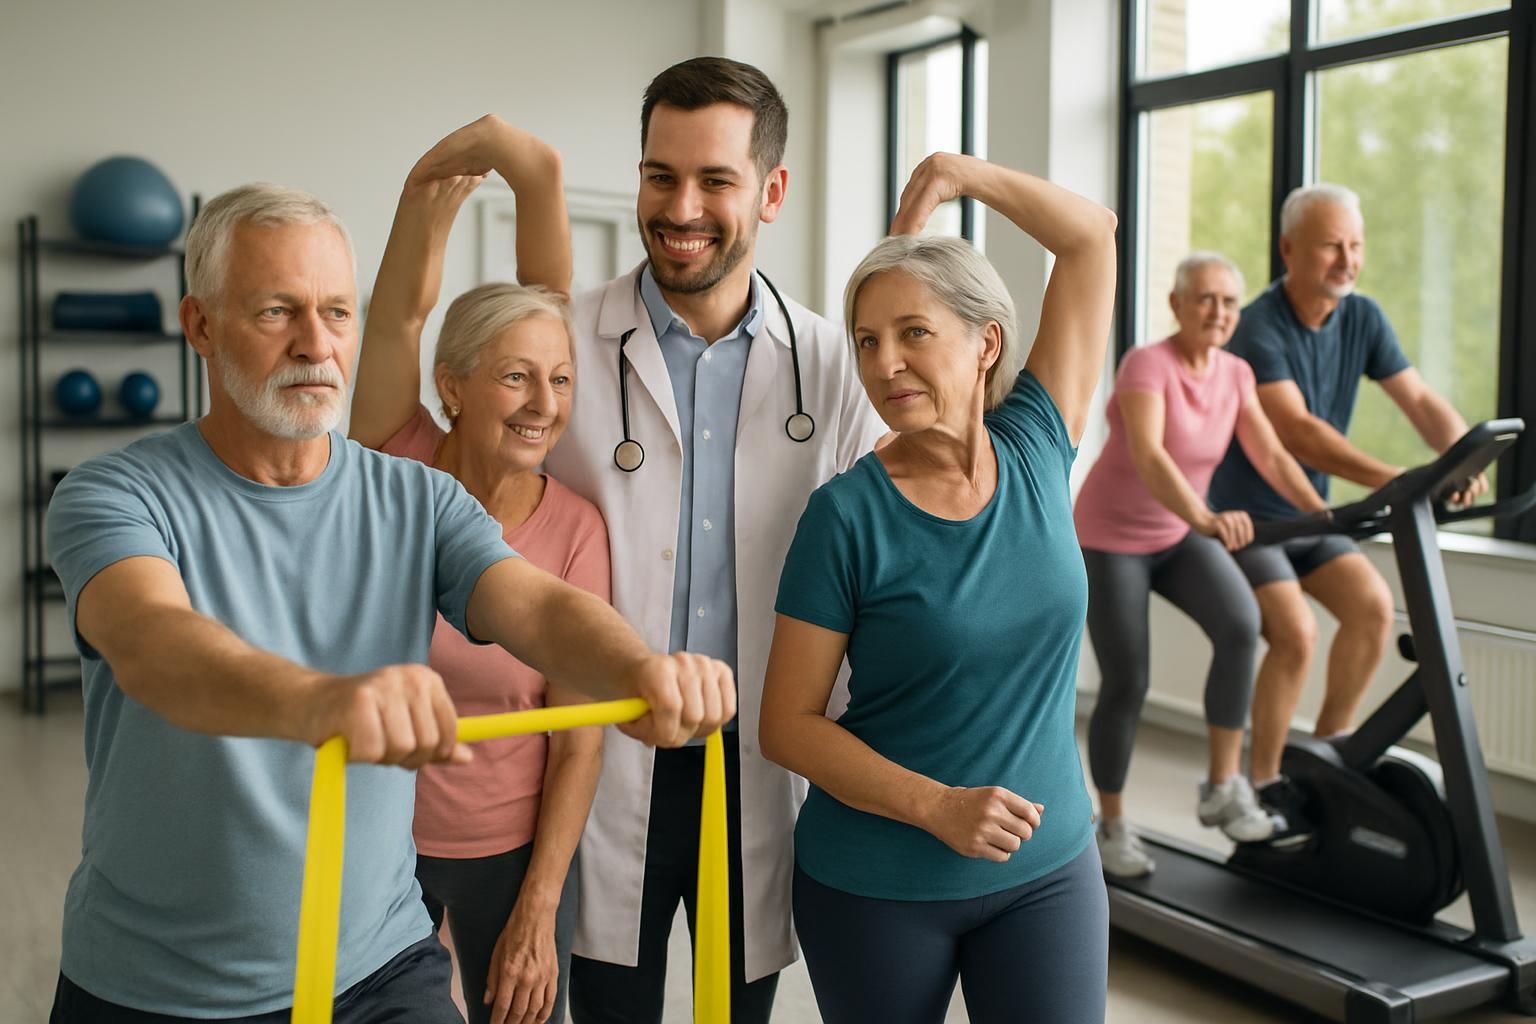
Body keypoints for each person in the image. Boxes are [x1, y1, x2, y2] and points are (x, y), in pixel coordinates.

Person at [44, 182, 734, 1023]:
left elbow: (537, 606)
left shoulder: (421, 500)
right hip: (157, 986)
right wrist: (327, 700)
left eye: (337, 313)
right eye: (276, 313)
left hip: (378, 966)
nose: (316, 344)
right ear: (200, 326)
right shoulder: (114, 494)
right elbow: (158, 645)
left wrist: (641, 668)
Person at [544, 57, 886, 1024]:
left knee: (738, 1010)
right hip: (602, 749)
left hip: (760, 759)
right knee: (609, 999)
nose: (680, 206)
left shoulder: (833, 365)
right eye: (661, 175)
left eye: (715, 181)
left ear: (772, 191)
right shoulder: (565, 343)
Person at [760, 152, 1117, 1024]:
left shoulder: (1037, 442)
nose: (886, 365)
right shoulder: (843, 517)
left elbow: (1091, 238)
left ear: (986, 341)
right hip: (879, 882)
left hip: (1050, 869)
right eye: (869, 341)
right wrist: (940, 808)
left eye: (914, 332)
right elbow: (786, 725)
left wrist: (959, 175)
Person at [348, 117, 600, 1024]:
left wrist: (541, 905)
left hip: (510, 851)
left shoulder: (575, 529)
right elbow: (398, 319)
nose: (545, 405)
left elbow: (578, 740)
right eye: (516, 378)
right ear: (450, 386)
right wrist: (427, 194)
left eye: (562, 380)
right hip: (377, 839)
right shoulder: (396, 458)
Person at [1208, 183, 1488, 845]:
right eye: (1332, 244)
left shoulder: (1362, 317)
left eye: (1355, 245)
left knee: (1370, 605)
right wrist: (1401, 479)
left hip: (1313, 517)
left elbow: (1419, 400)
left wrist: (1460, 460)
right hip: (1252, 521)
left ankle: (1330, 756)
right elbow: (1298, 432)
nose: (1347, 259)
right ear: (1289, 249)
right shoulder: (1258, 327)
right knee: (1296, 634)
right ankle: (1265, 785)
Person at [1073, 252, 1330, 877]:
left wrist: (1323, 514)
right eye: (1206, 299)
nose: (1218, 312)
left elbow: (1268, 453)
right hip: (1111, 537)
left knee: (1243, 626)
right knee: (1128, 680)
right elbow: (1152, 456)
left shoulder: (1237, 374)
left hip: (1176, 531)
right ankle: (1109, 824)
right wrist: (1209, 519)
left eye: (1229, 303)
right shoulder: (1147, 366)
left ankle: (1221, 788)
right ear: (1177, 305)